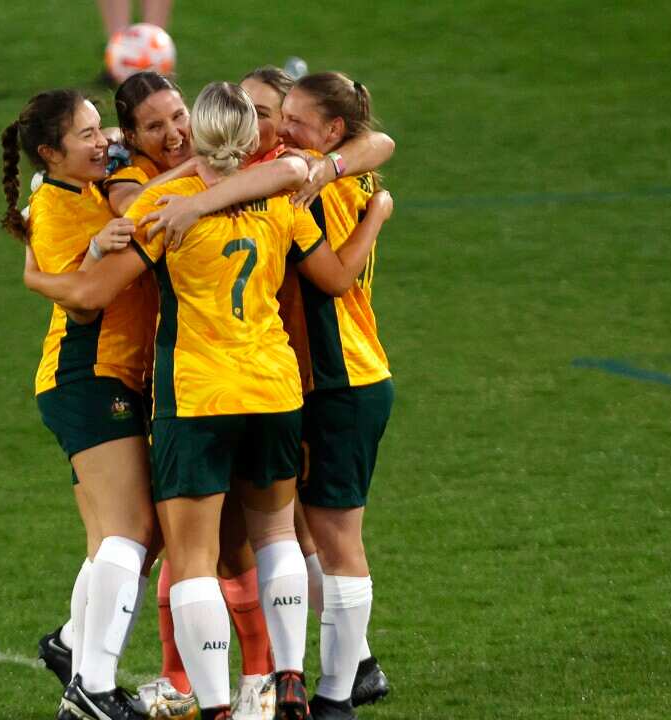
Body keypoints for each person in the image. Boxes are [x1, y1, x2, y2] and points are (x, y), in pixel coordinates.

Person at [24, 81, 393, 720]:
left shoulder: (165, 206)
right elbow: (331, 276)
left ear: (198, 130)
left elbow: (94, 292)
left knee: (190, 556)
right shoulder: (282, 192)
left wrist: (44, 269)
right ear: (252, 135)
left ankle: (214, 704)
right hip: (275, 389)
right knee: (278, 535)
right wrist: (379, 209)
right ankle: (291, 680)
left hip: (196, 395)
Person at [0, 88, 158, 720]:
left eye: (102, 129)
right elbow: (83, 303)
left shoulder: (78, 184)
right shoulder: (58, 203)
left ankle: (72, 647)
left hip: (103, 374)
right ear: (49, 152)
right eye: (87, 134)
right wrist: (91, 255)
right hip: (89, 372)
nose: (104, 142)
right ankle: (91, 686)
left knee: (111, 539)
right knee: (135, 531)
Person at [275, 72, 397, 720]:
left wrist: (370, 213)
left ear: (331, 131)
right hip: (327, 377)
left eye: (295, 118)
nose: (282, 127)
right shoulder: (344, 172)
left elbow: (330, 276)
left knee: (336, 537)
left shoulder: (314, 187)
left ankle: (338, 695)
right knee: (303, 529)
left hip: (340, 379)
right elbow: (383, 144)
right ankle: (354, 669)